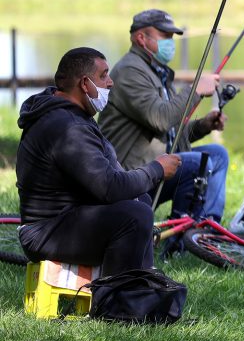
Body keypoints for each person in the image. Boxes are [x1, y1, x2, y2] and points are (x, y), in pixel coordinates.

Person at [16, 47, 181, 275]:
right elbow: (109, 188)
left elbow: (107, 180)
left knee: (139, 200)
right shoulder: (67, 126)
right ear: (85, 83)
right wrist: (157, 169)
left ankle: (140, 277)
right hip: (45, 233)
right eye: (103, 75)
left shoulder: (73, 114)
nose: (110, 82)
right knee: (134, 216)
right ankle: (117, 297)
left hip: (65, 222)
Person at [99, 9, 229, 221]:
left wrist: (204, 125)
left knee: (217, 154)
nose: (170, 43)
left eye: (172, 37)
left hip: (155, 165)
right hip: (129, 177)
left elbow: (170, 132)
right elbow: (161, 119)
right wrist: (196, 89)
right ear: (141, 38)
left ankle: (206, 228)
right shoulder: (130, 72)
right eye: (165, 36)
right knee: (197, 164)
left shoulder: (156, 71)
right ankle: (179, 240)